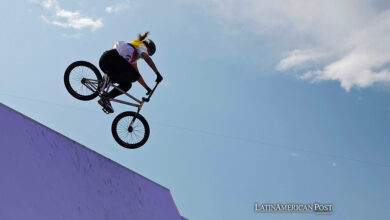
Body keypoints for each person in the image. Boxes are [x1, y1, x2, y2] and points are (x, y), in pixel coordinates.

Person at [98, 32, 163, 113]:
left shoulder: (133, 57)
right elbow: (146, 58)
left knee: (127, 85)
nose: (148, 54)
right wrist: (157, 73)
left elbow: (137, 76)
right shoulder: (141, 45)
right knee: (134, 75)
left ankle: (106, 98)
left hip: (108, 64)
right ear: (148, 47)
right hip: (111, 58)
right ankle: (109, 79)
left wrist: (147, 88)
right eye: (149, 52)